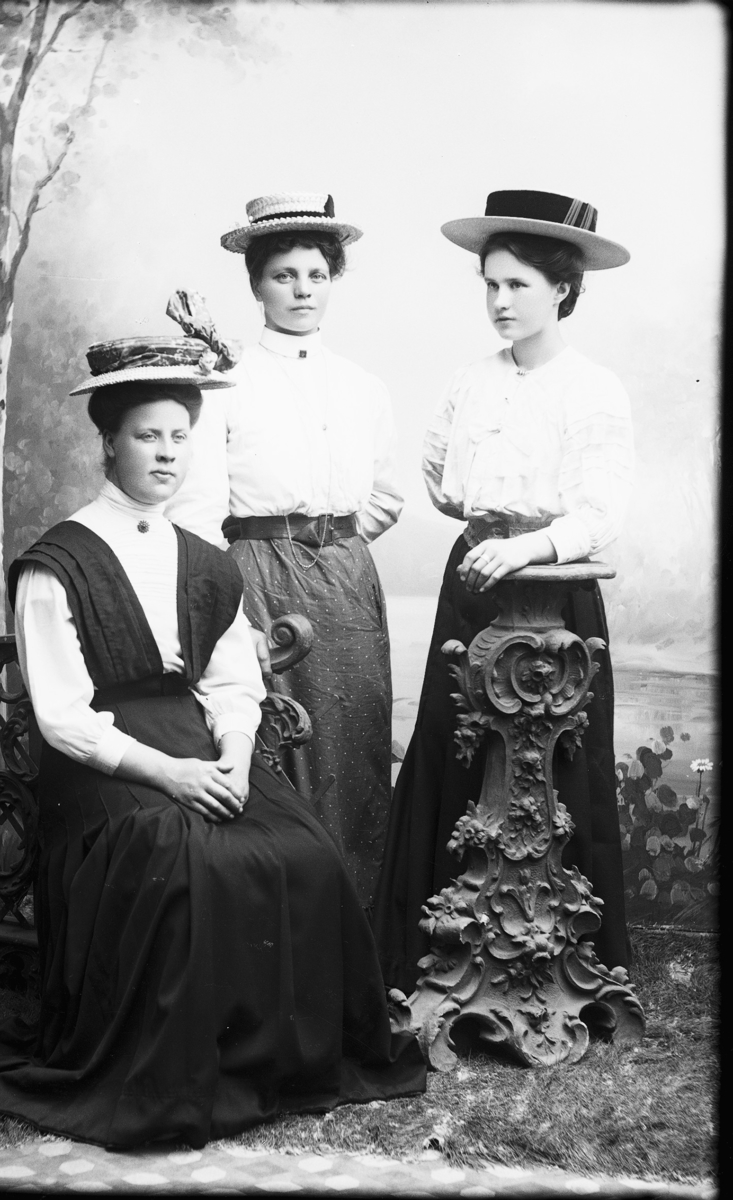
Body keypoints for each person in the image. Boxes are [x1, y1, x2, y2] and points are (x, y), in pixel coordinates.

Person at [0, 335, 425, 1149]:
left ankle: (269, 1063)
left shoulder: (203, 560)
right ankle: (180, 1068)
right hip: (101, 765)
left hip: (198, 741)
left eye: (178, 436)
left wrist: (232, 752)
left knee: (303, 849)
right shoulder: (58, 562)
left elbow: (232, 681)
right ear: (108, 443)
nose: (166, 453)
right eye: (146, 435)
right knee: (178, 853)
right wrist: (172, 774)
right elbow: (62, 717)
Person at [373, 190, 635, 996]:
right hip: (473, 581)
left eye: (517, 285)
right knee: (453, 745)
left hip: (552, 592)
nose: (499, 301)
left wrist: (524, 542)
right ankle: (445, 941)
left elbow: (600, 513)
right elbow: (440, 482)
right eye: (489, 284)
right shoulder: (469, 382)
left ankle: (556, 950)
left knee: (554, 763)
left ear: (562, 289)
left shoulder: (591, 388)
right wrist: (486, 529)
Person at [165, 192, 402, 909]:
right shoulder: (224, 385)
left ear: (333, 281)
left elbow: (385, 496)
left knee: (355, 751)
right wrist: (238, 596)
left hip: (347, 580)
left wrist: (333, 542)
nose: (302, 290)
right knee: (276, 745)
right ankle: (281, 933)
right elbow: (196, 514)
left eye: (316, 275)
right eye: (284, 276)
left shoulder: (361, 386)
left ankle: (356, 930)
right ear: (256, 285)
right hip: (259, 576)